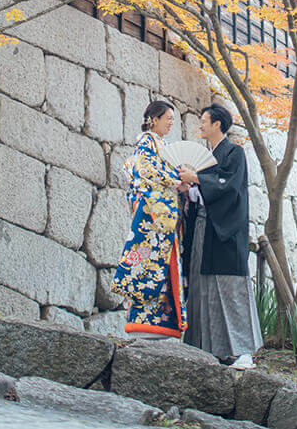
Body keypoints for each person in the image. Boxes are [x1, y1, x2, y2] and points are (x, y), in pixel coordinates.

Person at [179, 103, 262, 369]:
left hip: (226, 232)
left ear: (217, 124)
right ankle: (206, 349)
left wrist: (200, 179)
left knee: (229, 288)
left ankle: (243, 352)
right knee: (203, 286)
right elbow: (203, 197)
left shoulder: (234, 153)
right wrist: (188, 190)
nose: (200, 124)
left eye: (203, 120)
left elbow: (231, 189)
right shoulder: (208, 155)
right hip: (204, 229)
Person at [111, 100, 188, 338]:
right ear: (154, 119)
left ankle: (162, 325)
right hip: (152, 217)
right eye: (168, 119)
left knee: (163, 267)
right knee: (147, 264)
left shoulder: (163, 145)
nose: (171, 123)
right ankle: (143, 324)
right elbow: (145, 171)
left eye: (173, 120)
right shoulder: (145, 141)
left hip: (164, 219)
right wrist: (176, 182)